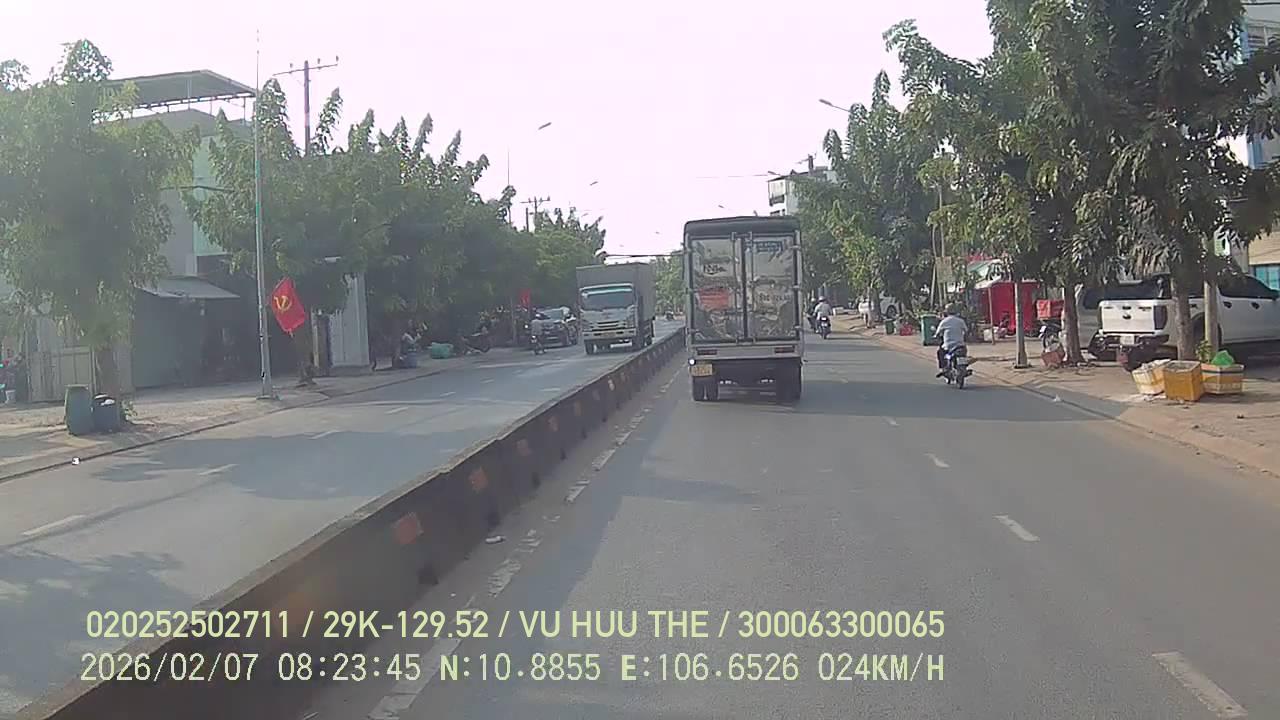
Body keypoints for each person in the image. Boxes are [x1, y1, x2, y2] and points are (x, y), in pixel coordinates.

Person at [935, 304, 969, 376]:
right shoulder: (960, 321)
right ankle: (964, 368)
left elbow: (937, 333)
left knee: (940, 352)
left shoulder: (944, 322)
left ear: (946, 312)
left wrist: (936, 336)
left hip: (948, 346)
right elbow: (966, 331)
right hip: (960, 345)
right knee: (964, 353)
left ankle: (944, 368)